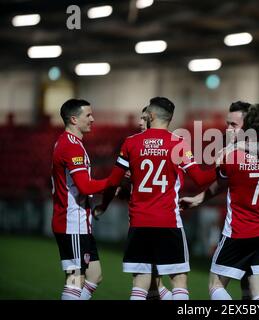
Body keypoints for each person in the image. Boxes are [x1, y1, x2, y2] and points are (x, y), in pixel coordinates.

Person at [95, 97, 216, 300]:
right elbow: (201, 179)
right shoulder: (178, 144)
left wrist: (103, 205)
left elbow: (113, 182)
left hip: (139, 222)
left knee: (140, 285)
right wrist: (224, 165)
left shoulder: (131, 142)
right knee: (178, 281)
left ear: (150, 116)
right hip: (167, 222)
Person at [180, 101, 259, 300]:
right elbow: (223, 183)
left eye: (233, 125)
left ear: (248, 125)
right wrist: (199, 199)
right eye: (227, 124)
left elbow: (206, 178)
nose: (227, 129)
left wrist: (185, 155)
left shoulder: (237, 153)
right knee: (254, 288)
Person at [109, 106, 172, 300]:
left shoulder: (135, 146)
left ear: (152, 120)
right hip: (159, 220)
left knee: (146, 280)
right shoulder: (163, 145)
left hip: (146, 220)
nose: (139, 122)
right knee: (154, 284)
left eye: (144, 118)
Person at [51, 99, 108, 300]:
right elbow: (84, 187)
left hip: (80, 223)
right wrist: (113, 181)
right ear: (74, 119)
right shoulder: (71, 146)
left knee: (95, 276)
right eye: (88, 115)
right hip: (71, 222)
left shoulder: (71, 143)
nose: (92, 119)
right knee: (76, 279)